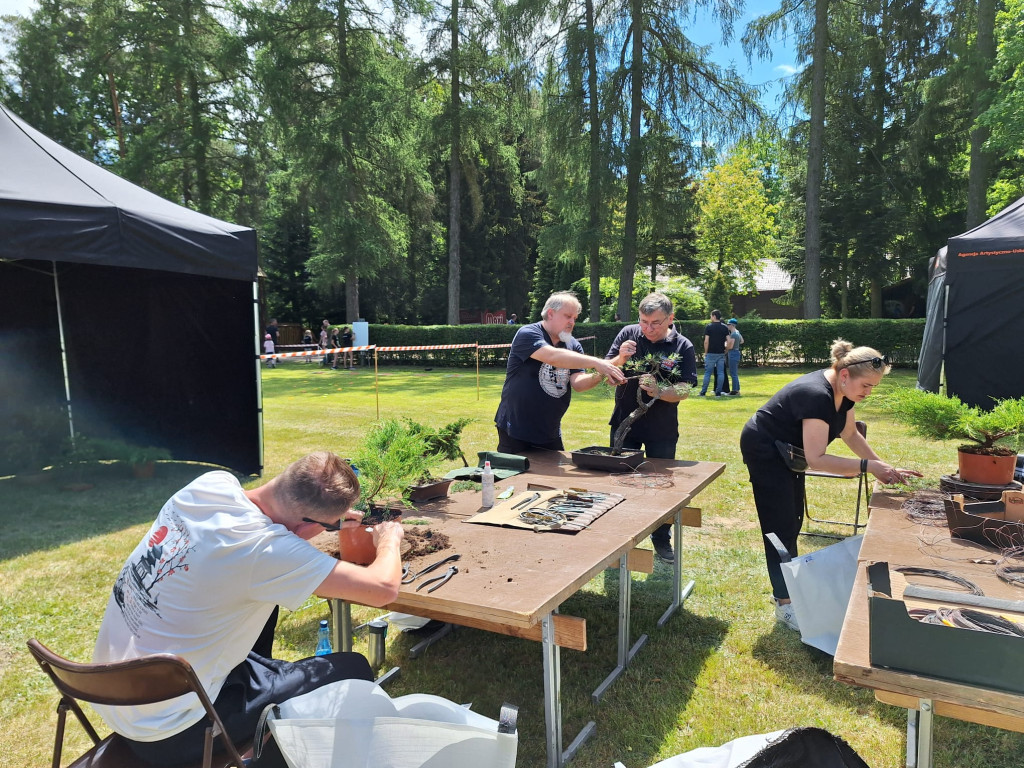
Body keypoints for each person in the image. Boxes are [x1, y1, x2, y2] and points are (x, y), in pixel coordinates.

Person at [92, 452, 404, 766]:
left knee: (263, 600)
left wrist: (327, 521)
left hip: (118, 695)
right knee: (353, 668)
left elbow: (278, 528)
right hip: (175, 730)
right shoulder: (265, 549)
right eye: (324, 527)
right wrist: (389, 540)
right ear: (305, 523)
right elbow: (383, 589)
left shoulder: (210, 485)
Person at [739, 340, 920, 631]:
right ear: (845, 375)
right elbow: (817, 458)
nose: (868, 392)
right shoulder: (815, 396)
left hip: (790, 452)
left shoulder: (846, 392)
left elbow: (849, 433)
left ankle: (792, 591)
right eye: (867, 385)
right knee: (779, 527)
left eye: (874, 387)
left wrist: (882, 467)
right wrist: (867, 467)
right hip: (765, 450)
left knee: (793, 519)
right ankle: (784, 604)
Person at [603, 292, 698, 563]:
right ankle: (619, 541)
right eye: (644, 321)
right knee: (619, 481)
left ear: (670, 318)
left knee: (662, 485)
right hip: (625, 423)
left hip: (662, 428)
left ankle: (661, 538)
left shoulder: (683, 346)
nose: (648, 328)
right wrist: (620, 360)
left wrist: (660, 390)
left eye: (655, 322)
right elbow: (607, 373)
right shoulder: (628, 334)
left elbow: (685, 389)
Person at [494, 291, 626, 452]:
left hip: (549, 430)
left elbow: (579, 384)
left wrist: (604, 371)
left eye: (574, 318)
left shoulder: (573, 345)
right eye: (567, 316)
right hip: (515, 428)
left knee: (553, 476)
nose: (572, 322)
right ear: (550, 313)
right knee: (514, 476)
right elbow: (552, 356)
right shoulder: (528, 333)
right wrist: (597, 362)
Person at [698, 309, 731, 396]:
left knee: (708, 373)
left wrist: (705, 352)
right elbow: (729, 340)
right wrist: (726, 350)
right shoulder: (724, 327)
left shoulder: (709, 327)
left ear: (714, 316)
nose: (710, 317)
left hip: (711, 353)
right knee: (721, 372)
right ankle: (718, 392)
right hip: (720, 353)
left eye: (711, 316)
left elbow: (706, 341)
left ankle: (703, 392)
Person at [726, 318, 743, 396]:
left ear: (732, 325)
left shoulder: (733, 334)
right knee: (734, 373)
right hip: (736, 352)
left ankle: (735, 390)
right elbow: (742, 341)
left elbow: (730, 346)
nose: (727, 326)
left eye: (728, 324)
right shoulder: (737, 332)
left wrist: (725, 347)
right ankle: (737, 390)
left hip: (733, 353)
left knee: (733, 373)